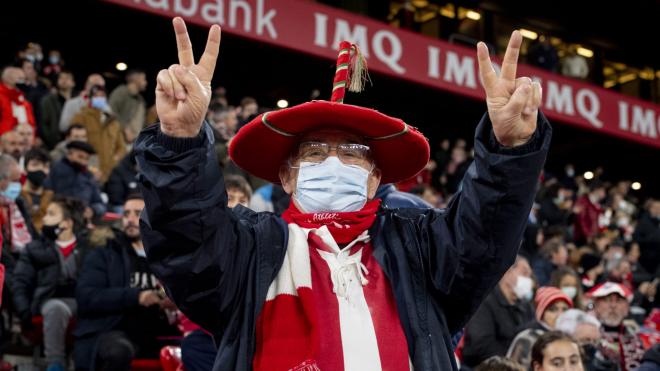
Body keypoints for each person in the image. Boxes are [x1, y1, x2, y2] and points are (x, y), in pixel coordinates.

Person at [135, 19, 549, 371]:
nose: (332, 162)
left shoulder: (421, 247)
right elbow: (186, 243)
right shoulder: (248, 250)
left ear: (374, 181)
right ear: (287, 177)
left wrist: (509, 151)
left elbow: (485, 237)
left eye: (352, 154)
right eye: (315, 153)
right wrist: (181, 141)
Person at [74, 194, 180, 371]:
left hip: (158, 330)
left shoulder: (167, 256)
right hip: (113, 330)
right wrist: (137, 296)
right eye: (126, 214)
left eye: (137, 213)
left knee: (198, 348)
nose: (130, 219)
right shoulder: (104, 253)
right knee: (118, 351)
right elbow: (87, 296)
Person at [11, 196, 88, 371]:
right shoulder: (34, 249)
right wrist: (24, 311)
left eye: (51, 214)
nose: (44, 218)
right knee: (56, 308)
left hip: (82, 301)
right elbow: (20, 282)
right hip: (48, 301)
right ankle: (56, 364)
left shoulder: (89, 247)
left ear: (67, 223)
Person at [462, 256, 536, 367]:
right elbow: (480, 344)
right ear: (507, 272)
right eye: (524, 273)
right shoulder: (484, 302)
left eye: (530, 275)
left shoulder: (527, 307)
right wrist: (511, 361)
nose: (529, 280)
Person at [507, 287, 573, 369]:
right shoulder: (528, 338)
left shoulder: (571, 337)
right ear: (542, 314)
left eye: (565, 309)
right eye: (553, 309)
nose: (560, 314)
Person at [70, 84, 126, 183]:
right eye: (96, 96)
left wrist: (114, 160)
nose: (99, 98)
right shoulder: (81, 117)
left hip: (110, 174)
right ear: (90, 98)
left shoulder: (113, 122)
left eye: (102, 96)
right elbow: (74, 142)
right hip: (87, 172)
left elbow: (121, 148)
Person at [588, 281, 646, 370]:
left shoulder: (636, 335)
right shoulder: (588, 333)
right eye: (607, 300)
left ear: (627, 307)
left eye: (619, 300)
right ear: (596, 305)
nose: (613, 305)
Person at [44, 141, 106, 218]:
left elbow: (100, 204)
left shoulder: (89, 177)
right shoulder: (54, 170)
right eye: (80, 157)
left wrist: (93, 210)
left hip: (82, 220)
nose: (83, 162)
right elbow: (46, 196)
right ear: (69, 154)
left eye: (86, 159)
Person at [39, 70, 75, 149]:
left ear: (73, 83)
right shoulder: (48, 100)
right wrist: (52, 141)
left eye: (67, 78)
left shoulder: (77, 101)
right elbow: (44, 123)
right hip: (54, 143)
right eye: (61, 78)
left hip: (74, 141)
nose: (64, 80)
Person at [109, 69, 148, 142]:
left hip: (135, 141)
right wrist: (125, 129)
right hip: (120, 140)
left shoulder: (141, 100)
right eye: (144, 79)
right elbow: (110, 111)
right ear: (136, 79)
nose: (145, 82)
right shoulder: (121, 92)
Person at [20, 148, 53, 231]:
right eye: (35, 165)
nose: (40, 170)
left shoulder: (53, 198)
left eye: (45, 166)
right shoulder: (15, 197)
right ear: (25, 169)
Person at [0, 66, 36, 135]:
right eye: (20, 78)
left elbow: (31, 121)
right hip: (5, 139)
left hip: (24, 139)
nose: (24, 82)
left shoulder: (22, 98)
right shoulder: (1, 97)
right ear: (8, 79)